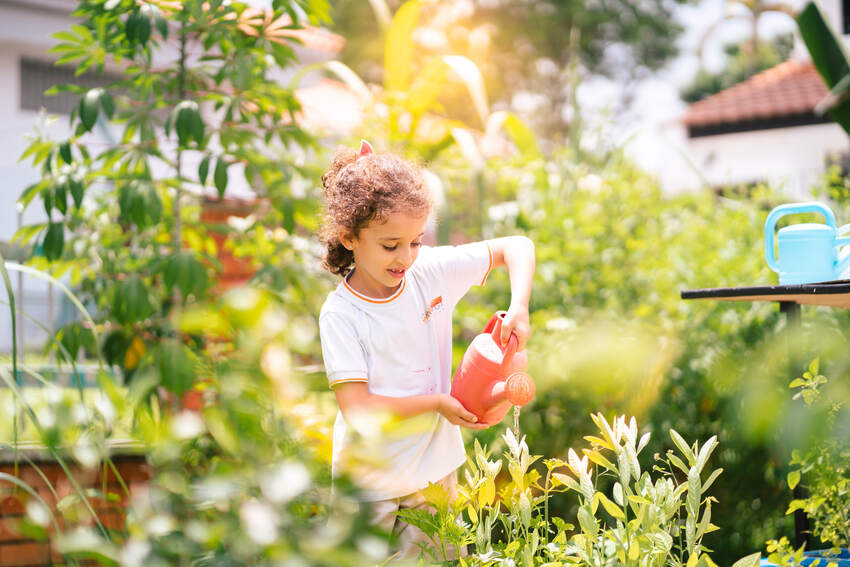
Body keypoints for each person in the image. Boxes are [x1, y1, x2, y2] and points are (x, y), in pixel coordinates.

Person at [318, 140, 535, 560]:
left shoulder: (428, 273)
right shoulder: (342, 314)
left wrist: (519, 307)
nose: (406, 257)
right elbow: (358, 409)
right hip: (369, 486)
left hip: (434, 475)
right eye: (390, 245)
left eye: (416, 241)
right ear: (349, 237)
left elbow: (517, 247)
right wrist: (437, 402)